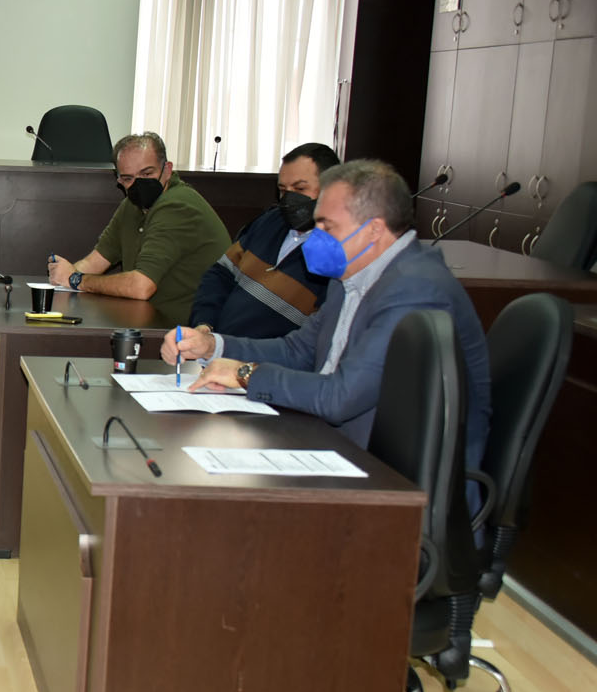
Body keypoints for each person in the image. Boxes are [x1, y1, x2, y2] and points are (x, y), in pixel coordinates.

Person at [164, 159, 492, 464]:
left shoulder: (414, 289)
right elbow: (298, 350)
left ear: (374, 230)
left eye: (326, 226)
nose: (313, 239)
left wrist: (245, 374)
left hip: (392, 473)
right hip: (335, 441)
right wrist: (212, 346)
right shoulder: (349, 277)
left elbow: (340, 397)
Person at [48, 131, 230, 325]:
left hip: (191, 330)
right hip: (151, 320)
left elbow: (141, 287)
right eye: (128, 178)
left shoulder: (177, 205)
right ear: (119, 180)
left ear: (167, 170)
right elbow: (96, 262)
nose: (138, 185)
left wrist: (76, 279)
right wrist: (64, 275)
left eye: (147, 174)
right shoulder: (132, 205)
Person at [187, 142, 339, 340]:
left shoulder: (336, 256)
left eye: (300, 188)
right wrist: (204, 323)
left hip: (266, 356)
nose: (289, 199)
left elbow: (309, 344)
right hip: (215, 344)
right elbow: (221, 274)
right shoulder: (270, 222)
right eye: (283, 190)